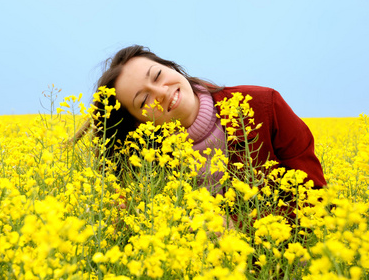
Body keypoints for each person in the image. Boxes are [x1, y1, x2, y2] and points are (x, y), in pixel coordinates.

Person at [84, 45, 326, 190]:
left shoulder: (263, 106)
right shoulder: (148, 170)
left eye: (157, 75)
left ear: (172, 68)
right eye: (143, 100)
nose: (161, 93)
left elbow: (314, 197)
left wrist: (238, 232)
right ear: (139, 123)